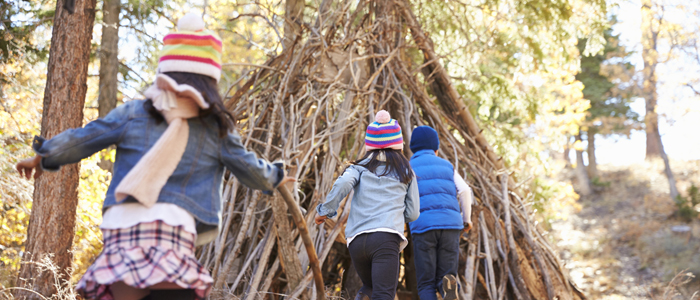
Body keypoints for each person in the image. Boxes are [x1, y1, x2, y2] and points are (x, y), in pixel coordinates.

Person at [15, 13, 292, 300]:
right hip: (171, 231)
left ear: (166, 73)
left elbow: (86, 138)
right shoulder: (215, 128)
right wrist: (278, 175)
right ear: (210, 81)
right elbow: (251, 170)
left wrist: (43, 155)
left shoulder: (134, 113)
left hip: (121, 228)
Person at [314, 110, 420, 300]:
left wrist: (325, 211)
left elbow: (342, 184)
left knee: (369, 287)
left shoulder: (359, 168)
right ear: (398, 144)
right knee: (384, 294)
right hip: (385, 239)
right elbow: (412, 214)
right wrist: (393, 216)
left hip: (356, 240)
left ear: (370, 145)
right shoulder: (405, 171)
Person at [408, 125, 474, 300]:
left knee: (426, 284)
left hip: (423, 227)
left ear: (413, 148)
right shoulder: (447, 166)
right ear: (436, 149)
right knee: (447, 277)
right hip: (451, 225)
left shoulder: (408, 167)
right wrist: (466, 220)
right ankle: (449, 291)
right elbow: (465, 191)